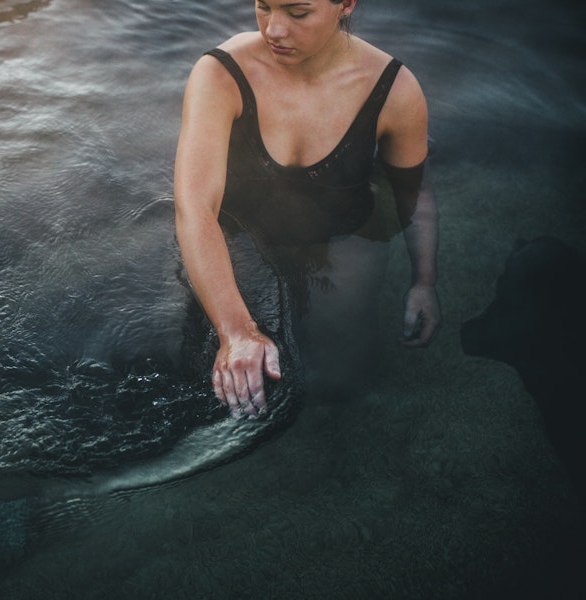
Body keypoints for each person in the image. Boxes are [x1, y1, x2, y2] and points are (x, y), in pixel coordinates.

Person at [174, 0, 440, 418]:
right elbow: (195, 207)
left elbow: (413, 191)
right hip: (241, 237)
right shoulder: (222, 73)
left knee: (338, 383)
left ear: (346, 4)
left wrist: (424, 281)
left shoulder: (395, 90)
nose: (274, 30)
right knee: (206, 384)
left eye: (297, 13)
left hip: (340, 238)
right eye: (263, 7)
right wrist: (236, 331)